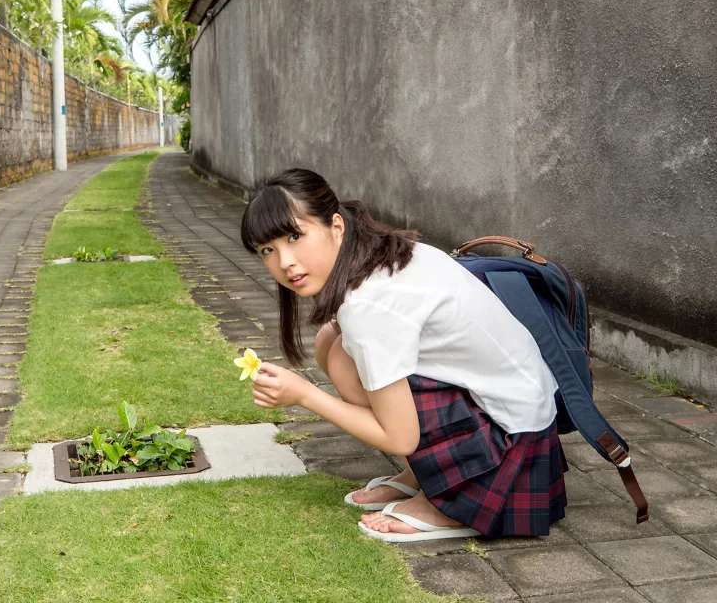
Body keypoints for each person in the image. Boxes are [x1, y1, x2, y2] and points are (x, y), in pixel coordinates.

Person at [240, 167, 568, 542]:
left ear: (335, 225)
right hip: (520, 404)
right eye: (268, 249)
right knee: (333, 343)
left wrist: (305, 395)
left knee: (347, 351)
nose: (285, 262)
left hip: (511, 441)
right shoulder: (383, 251)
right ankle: (424, 475)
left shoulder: (367, 304)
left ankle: (449, 501)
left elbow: (399, 439)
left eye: (295, 236)